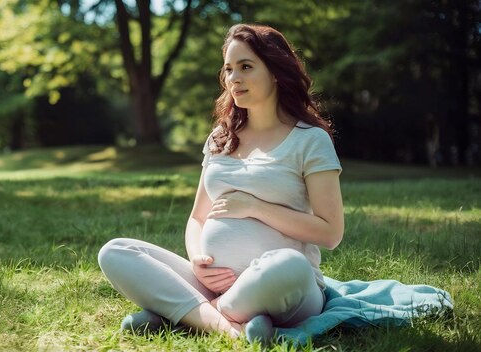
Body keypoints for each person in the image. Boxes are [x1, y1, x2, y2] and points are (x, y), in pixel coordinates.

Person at [98, 23, 344, 343]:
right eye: (228, 69)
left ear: (275, 72)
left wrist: (256, 207)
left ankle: (188, 314)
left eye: (245, 67)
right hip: (211, 281)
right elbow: (198, 218)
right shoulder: (221, 137)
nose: (233, 78)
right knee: (115, 251)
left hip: (285, 285)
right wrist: (198, 260)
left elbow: (330, 232)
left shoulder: (310, 141)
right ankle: (231, 326)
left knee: (290, 266)